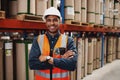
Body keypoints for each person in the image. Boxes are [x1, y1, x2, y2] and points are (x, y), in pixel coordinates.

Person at [29, 7, 78, 80]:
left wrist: (48, 58)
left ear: (59, 21)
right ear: (45, 22)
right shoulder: (38, 40)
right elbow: (32, 64)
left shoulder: (68, 41)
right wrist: (61, 62)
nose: (52, 23)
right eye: (49, 20)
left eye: (55, 20)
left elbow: (72, 65)